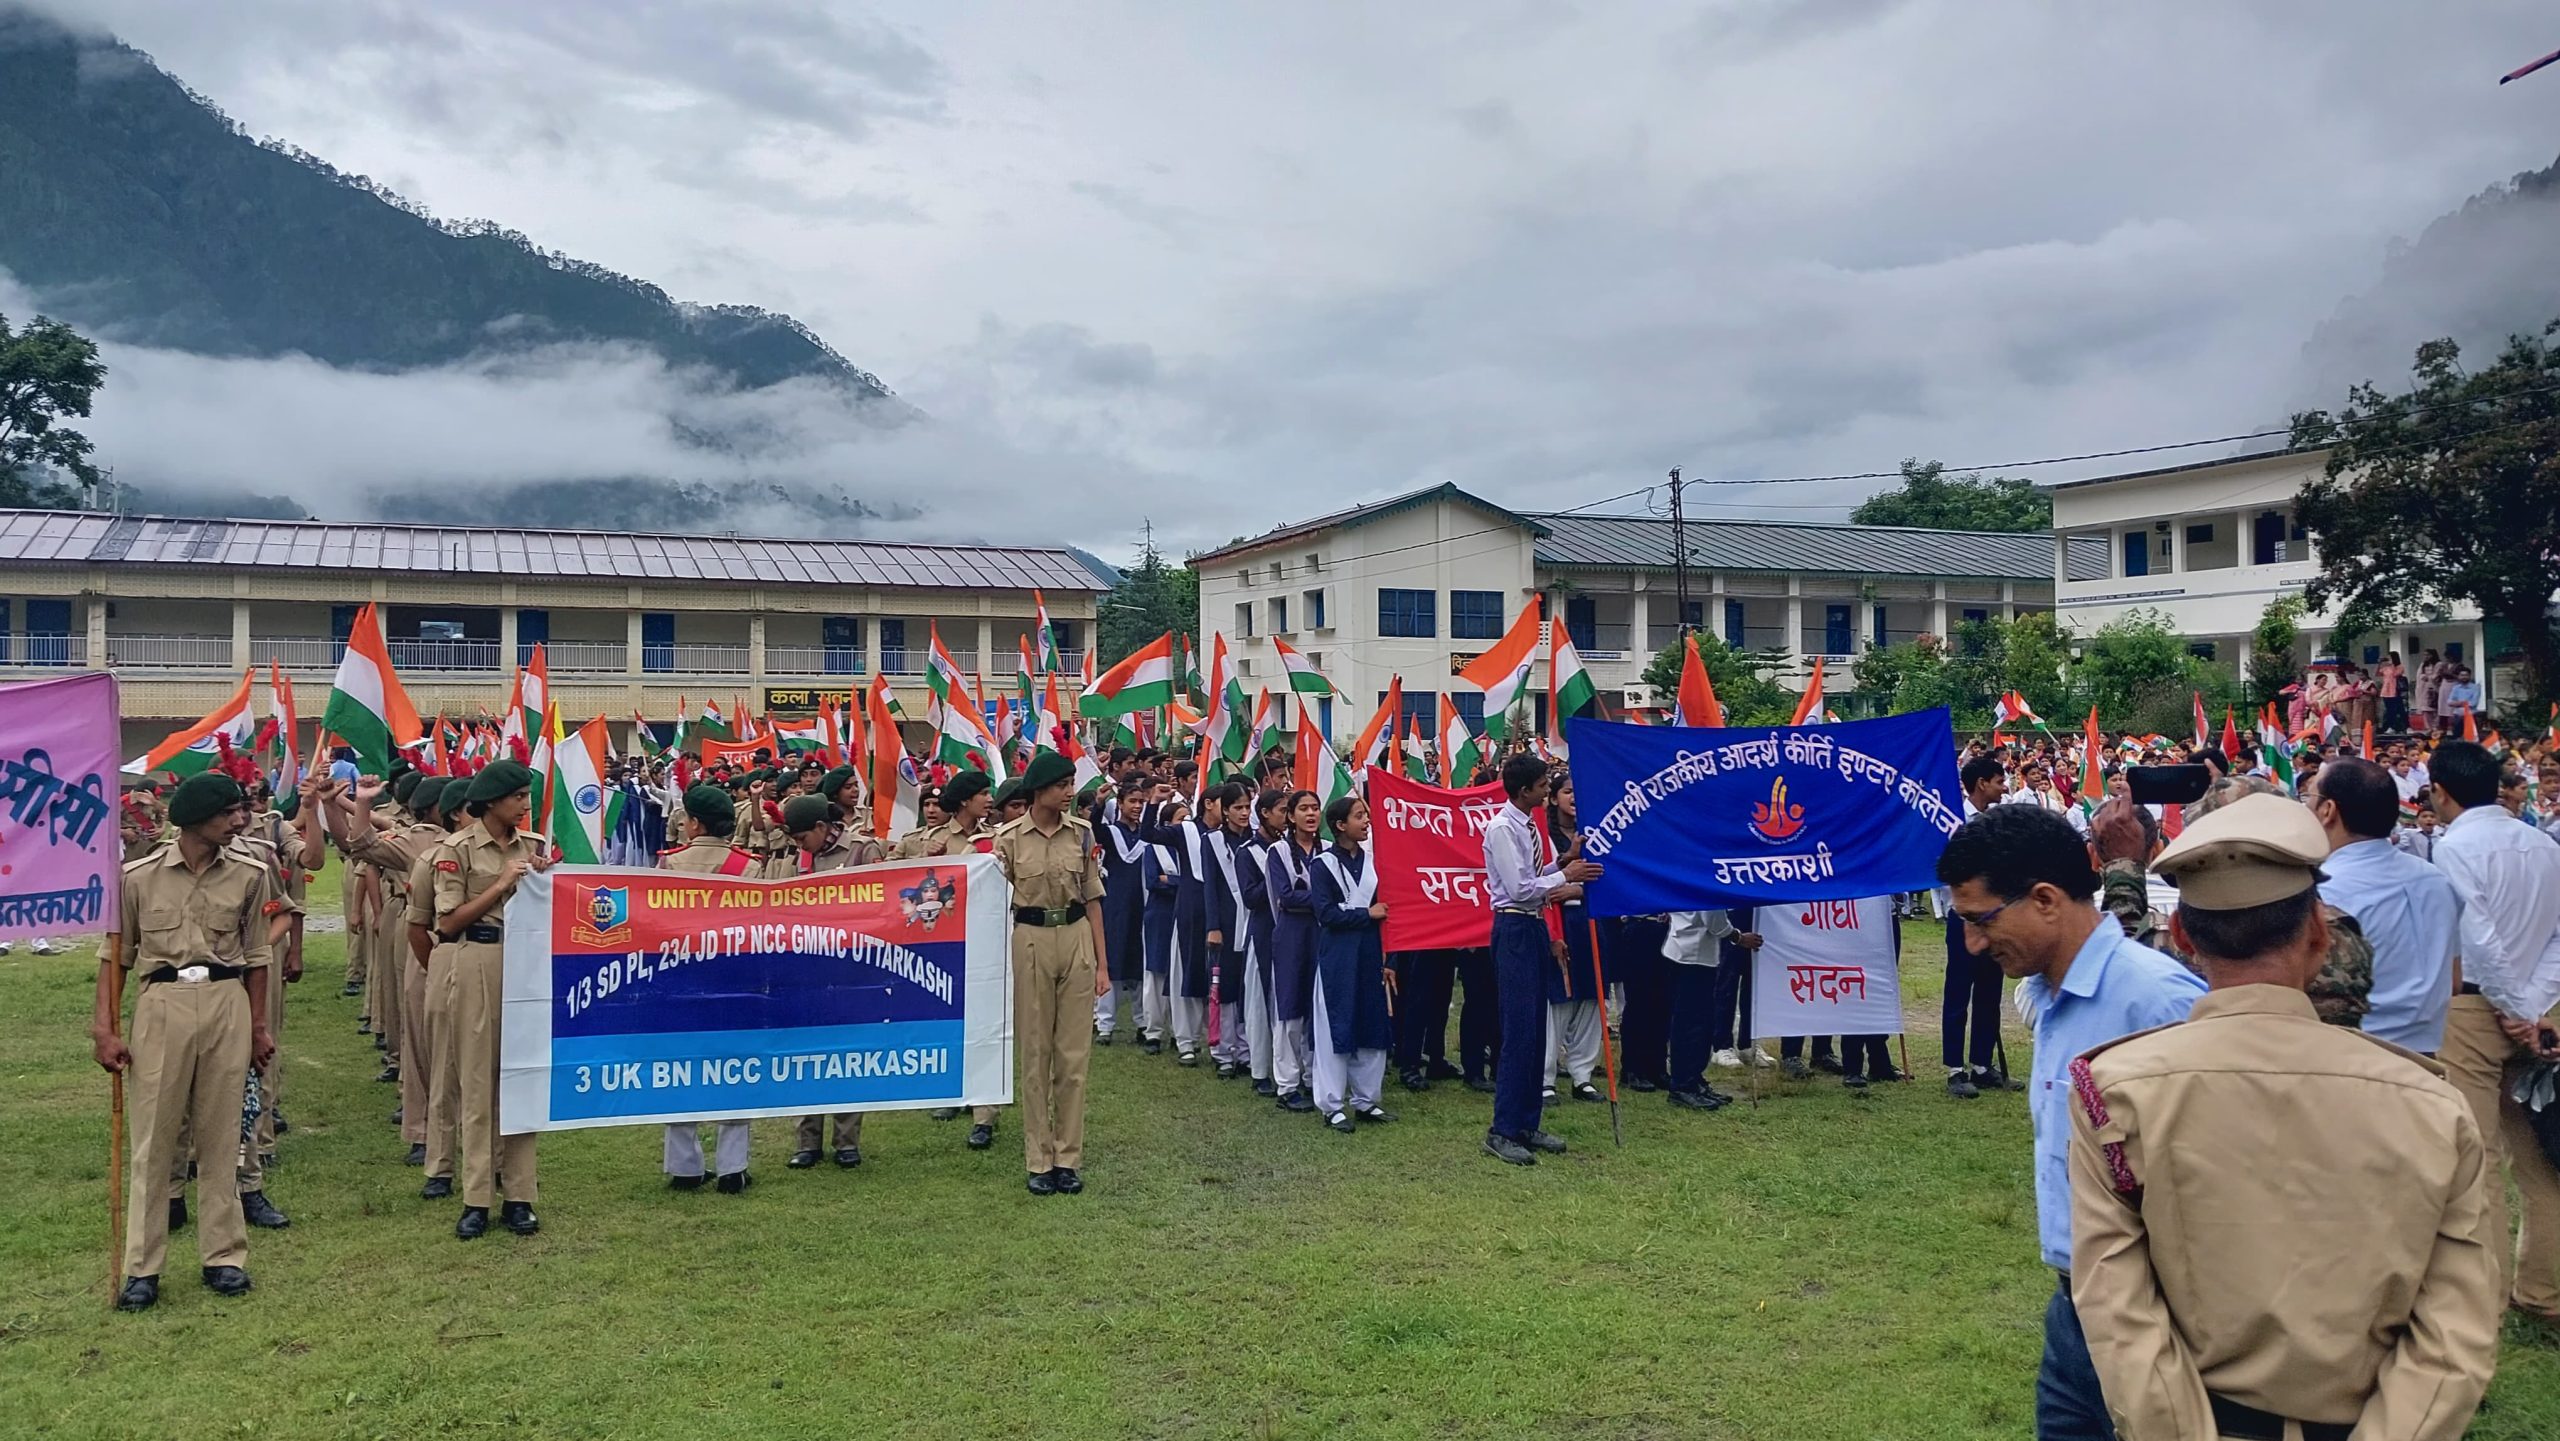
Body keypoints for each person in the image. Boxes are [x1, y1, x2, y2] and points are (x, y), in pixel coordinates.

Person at [2066, 793, 2500, 1439]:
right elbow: (2454, 1331)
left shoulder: (2116, 1089)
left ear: (2182, 935)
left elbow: (2119, 1311)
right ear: (2321, 932)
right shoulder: (2431, 1101)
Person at [1935, 803, 2204, 1439]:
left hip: (2159, 1312)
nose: (1973, 943)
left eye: (1981, 921)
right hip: (2075, 1308)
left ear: (2047, 900)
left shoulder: (2159, 1001)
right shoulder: (2050, 995)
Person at [96, 771, 277, 1311]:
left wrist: (260, 1026)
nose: (238, 820)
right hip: (162, 1002)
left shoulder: (250, 874)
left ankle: (223, 1256)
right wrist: (104, 1028)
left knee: (221, 1134)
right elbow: (116, 958)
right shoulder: (137, 878)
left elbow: (258, 956)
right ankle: (142, 1267)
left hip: (226, 1001)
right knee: (153, 1138)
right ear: (198, 819)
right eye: (227, 813)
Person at [2429, 738, 2560, 1323]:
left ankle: (2485, 1304)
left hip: (2480, 1010)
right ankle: (2543, 1290)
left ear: (2438, 792)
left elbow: (2476, 938)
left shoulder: (2454, 847)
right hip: (2537, 1011)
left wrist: (2514, 1007)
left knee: (2477, 1160)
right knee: (2536, 1159)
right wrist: (2534, 1009)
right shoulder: (2541, 842)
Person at [431, 759, 555, 1240]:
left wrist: (545, 879)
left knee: (522, 1079)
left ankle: (520, 1195)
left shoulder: (536, 848)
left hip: (527, 967)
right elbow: (447, 922)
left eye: (527, 796)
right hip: (478, 958)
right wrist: (502, 885)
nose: (525, 805)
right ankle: (477, 1197)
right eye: (517, 797)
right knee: (478, 1082)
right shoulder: (457, 850)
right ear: (491, 802)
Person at [992, 751, 1108, 1196]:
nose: (1069, 792)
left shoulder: (1081, 834)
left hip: (1075, 934)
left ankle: (1068, 1157)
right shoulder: (1008, 839)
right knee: (1036, 1054)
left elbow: (1094, 897)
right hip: (1031, 939)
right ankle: (1038, 1158)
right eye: (1062, 785)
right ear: (1040, 790)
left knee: (1073, 1058)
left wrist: (1102, 963)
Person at [1481, 753, 1600, 1167]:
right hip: (1513, 925)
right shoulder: (1501, 828)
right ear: (1523, 790)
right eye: (1541, 785)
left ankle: (1527, 1121)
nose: (1547, 791)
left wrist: (1564, 861)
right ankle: (1502, 1129)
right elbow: (1518, 888)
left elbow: (1538, 872)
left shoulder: (1530, 825)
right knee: (1518, 1030)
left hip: (1533, 927)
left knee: (1535, 1028)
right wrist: (1565, 877)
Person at [2302, 758, 2459, 1055]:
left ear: (2327, 811)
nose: (2304, 809)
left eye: (2308, 798)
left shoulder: (2323, 891)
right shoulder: (2436, 881)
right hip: (2425, 1053)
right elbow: (2453, 981)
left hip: (2354, 1054)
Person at [655, 785, 760, 1193]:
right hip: (733, 981)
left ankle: (685, 1167)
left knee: (679, 1070)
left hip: (681, 980)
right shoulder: (748, 866)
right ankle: (733, 1168)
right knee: (737, 1069)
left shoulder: (669, 864)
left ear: (694, 823)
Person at [893, 769, 1003, 1148]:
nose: (989, 800)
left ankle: (985, 1113)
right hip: (947, 943)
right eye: (982, 794)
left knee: (987, 1025)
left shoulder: (997, 838)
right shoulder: (935, 841)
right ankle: (954, 1094)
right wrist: (929, 862)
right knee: (951, 1022)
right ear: (963, 801)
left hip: (989, 941)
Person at [780, 790, 879, 1169]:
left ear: (822, 827)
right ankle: (807, 1141)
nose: (799, 845)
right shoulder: (797, 858)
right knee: (806, 1055)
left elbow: (878, 905)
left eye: (803, 837)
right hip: (806, 969)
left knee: (847, 1055)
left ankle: (847, 1141)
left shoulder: (862, 851)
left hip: (851, 967)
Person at [1307, 795, 1396, 1132]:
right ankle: (1332, 1104)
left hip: (1370, 953)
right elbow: (1326, 913)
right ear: (1341, 825)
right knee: (1336, 1026)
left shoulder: (1375, 862)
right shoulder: (1322, 865)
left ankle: (1366, 1099)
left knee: (1372, 1023)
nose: (1366, 821)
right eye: (1359, 816)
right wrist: (1365, 914)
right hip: (1338, 957)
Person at [1944, 754, 2016, 1099]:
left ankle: (1982, 1064)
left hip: (1996, 919)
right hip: (1964, 920)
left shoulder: (1998, 821)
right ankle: (1955, 1069)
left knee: (1989, 992)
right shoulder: (1954, 821)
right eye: (2000, 781)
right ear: (1981, 783)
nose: (2005, 788)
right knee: (1959, 993)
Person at [1542, 772, 1606, 1104]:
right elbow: (1535, 881)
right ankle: (1546, 1077)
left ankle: (1582, 1074)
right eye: (1568, 791)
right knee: (1558, 1000)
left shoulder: (1599, 834)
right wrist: (1565, 871)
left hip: (1591, 920)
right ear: (1553, 798)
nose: (1574, 798)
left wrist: (1577, 888)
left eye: (1579, 791)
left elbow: (1607, 878)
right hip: (1558, 922)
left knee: (1591, 997)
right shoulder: (1542, 834)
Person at [1263, 789, 1323, 1113]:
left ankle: (1315, 1077)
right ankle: (1287, 1084)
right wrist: (1320, 900)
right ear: (1290, 816)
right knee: (1288, 1007)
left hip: (1319, 934)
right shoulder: (1279, 852)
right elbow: (1284, 896)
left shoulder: (1327, 851)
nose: (1311, 814)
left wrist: (1310, 897)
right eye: (1303, 809)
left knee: (1316, 1007)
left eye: (1315, 808)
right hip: (1289, 936)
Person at [1661, 908, 1740, 1111]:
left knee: (1697, 1023)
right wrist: (1737, 936)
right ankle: (1683, 1086)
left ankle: (1694, 1080)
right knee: (1691, 1024)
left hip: (1687, 947)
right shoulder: (1705, 877)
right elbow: (1714, 920)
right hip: (1693, 954)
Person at [1093, 784, 1149, 1045]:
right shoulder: (1112, 833)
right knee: (1112, 963)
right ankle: (1105, 1024)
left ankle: (1142, 1022)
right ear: (1121, 804)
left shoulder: (1146, 834)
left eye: (1140, 801)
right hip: (1116, 905)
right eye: (1131, 801)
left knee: (1138, 966)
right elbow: (1094, 829)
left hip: (1141, 904)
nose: (1136, 806)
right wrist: (1100, 803)